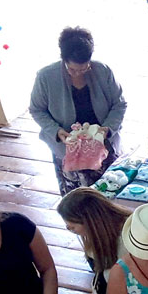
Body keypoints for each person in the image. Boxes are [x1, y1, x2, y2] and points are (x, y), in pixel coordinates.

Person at [29, 27, 127, 195]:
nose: (78, 73)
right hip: (68, 147)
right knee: (76, 198)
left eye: (84, 68)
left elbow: (119, 104)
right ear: (63, 60)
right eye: (72, 69)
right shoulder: (46, 77)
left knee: (110, 193)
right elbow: (37, 110)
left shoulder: (102, 71)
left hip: (102, 144)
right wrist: (57, 131)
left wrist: (106, 129)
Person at [55, 187, 129, 294]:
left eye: (71, 226)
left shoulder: (125, 241)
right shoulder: (97, 234)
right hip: (109, 293)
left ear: (90, 222)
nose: (69, 229)